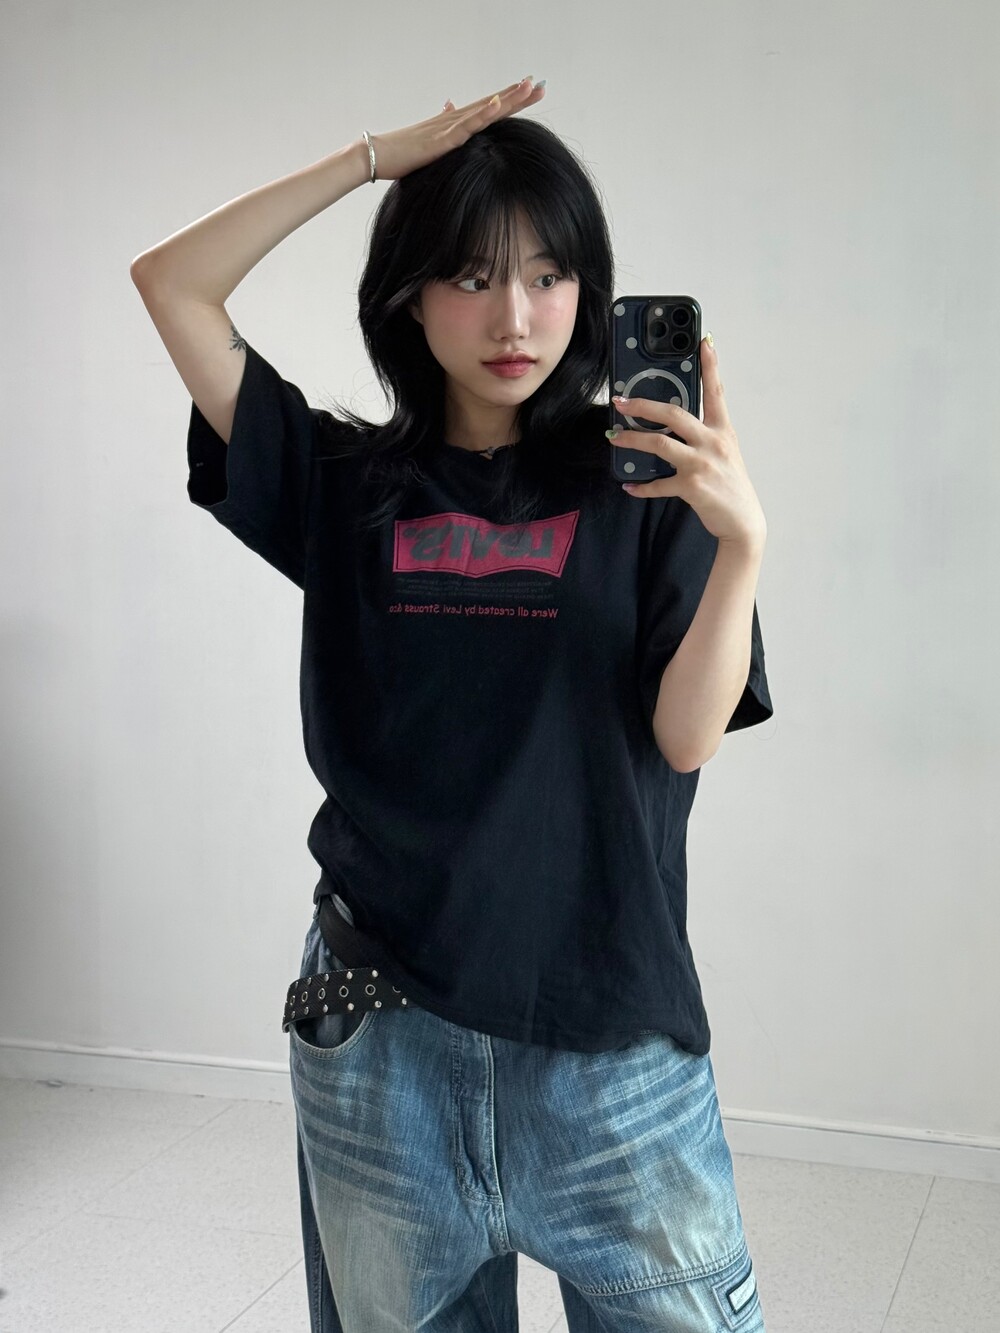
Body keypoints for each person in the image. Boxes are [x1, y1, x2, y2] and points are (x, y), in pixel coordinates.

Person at [131, 76, 772, 1333]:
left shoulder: (646, 485)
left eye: (547, 275)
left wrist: (740, 545)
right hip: (384, 1038)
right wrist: (376, 158)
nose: (513, 316)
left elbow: (686, 736)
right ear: (409, 296)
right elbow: (173, 282)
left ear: (586, 290)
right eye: (471, 276)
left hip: (606, 1037)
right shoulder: (341, 481)